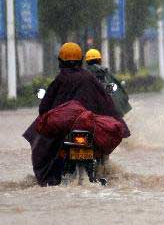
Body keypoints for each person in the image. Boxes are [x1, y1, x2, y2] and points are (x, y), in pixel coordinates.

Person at [23, 42, 127, 185]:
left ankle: (49, 180)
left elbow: (45, 107)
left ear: (60, 61)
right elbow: (106, 102)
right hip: (88, 132)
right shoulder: (89, 78)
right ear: (81, 59)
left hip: (66, 133)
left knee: (43, 147)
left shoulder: (60, 79)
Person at [84, 48, 131, 116]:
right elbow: (117, 92)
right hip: (110, 114)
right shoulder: (106, 74)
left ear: (86, 61)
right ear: (99, 60)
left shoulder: (84, 75)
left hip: (90, 114)